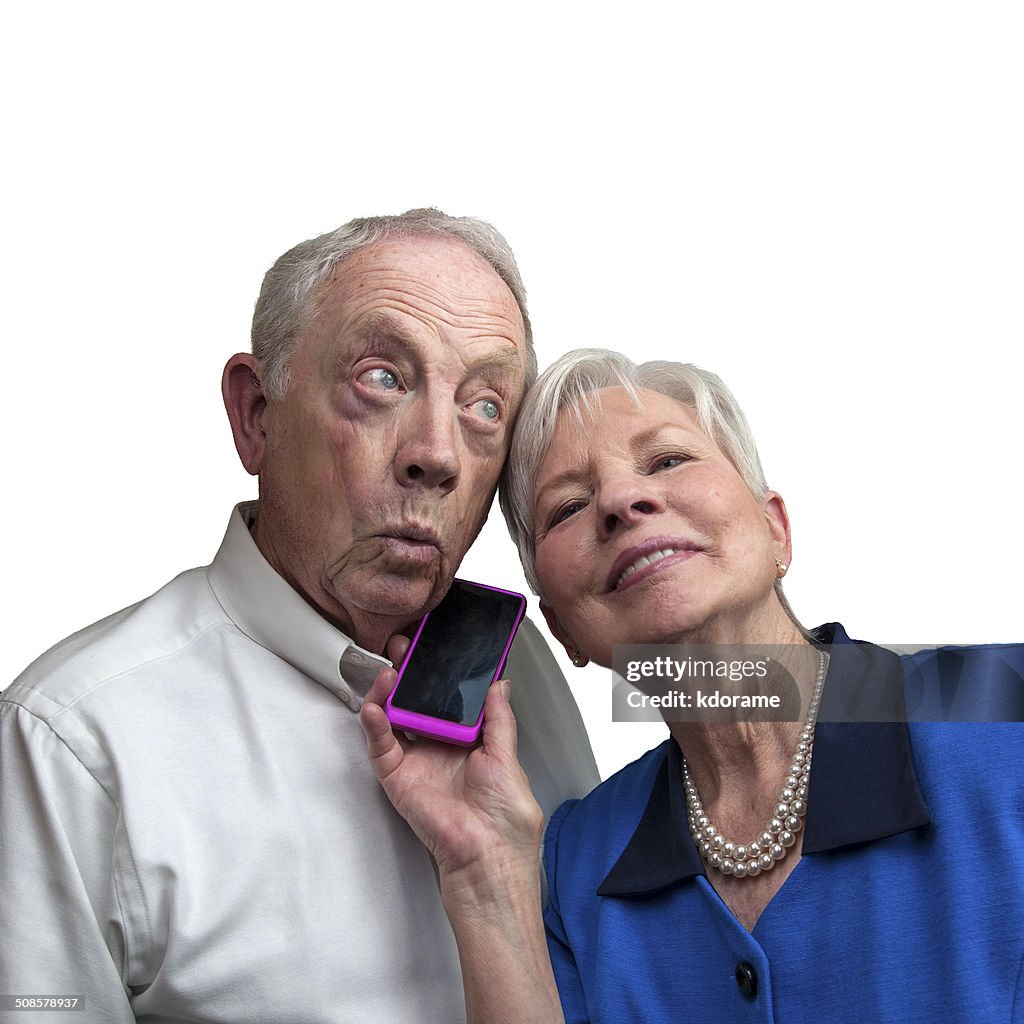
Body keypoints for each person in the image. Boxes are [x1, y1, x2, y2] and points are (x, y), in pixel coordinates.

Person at [0, 211, 598, 1023]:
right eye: (382, 378)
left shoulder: (519, 660)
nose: (440, 453)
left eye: (485, 405)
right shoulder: (71, 742)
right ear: (256, 414)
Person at [361, 348, 1024, 1023]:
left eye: (668, 461)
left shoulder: (1006, 707)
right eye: (568, 506)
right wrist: (483, 871)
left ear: (775, 530)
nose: (621, 501)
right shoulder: (575, 861)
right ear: (562, 631)